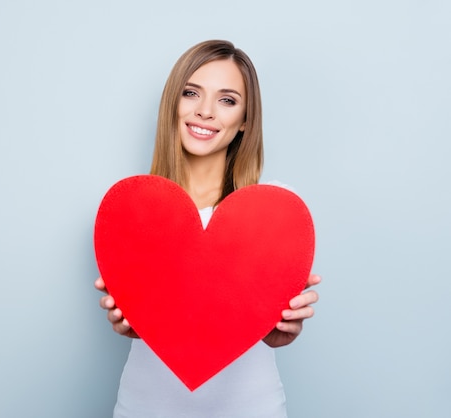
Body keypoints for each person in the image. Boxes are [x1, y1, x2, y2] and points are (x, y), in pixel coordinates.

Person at [94, 40, 321, 417]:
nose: (204, 111)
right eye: (191, 93)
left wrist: (276, 334)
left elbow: (263, 316)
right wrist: (138, 325)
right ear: (173, 104)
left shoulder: (276, 212)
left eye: (227, 100)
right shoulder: (131, 210)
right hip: (144, 407)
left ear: (246, 119)